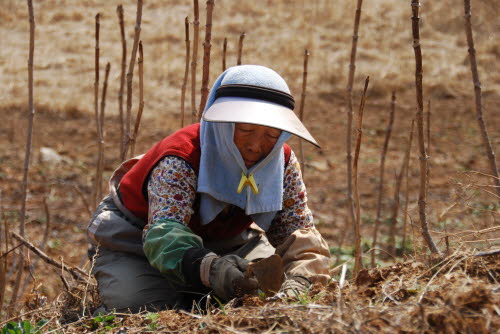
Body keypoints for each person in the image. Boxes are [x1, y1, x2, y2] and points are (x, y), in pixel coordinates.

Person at [87, 65, 331, 313]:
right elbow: (164, 237)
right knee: (142, 308)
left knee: (267, 292)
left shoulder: (282, 163)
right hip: (137, 241)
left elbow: (299, 233)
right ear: (222, 125)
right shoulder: (181, 157)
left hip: (228, 242)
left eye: (272, 135)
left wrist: (301, 282)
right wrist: (213, 270)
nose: (256, 146)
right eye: (246, 130)